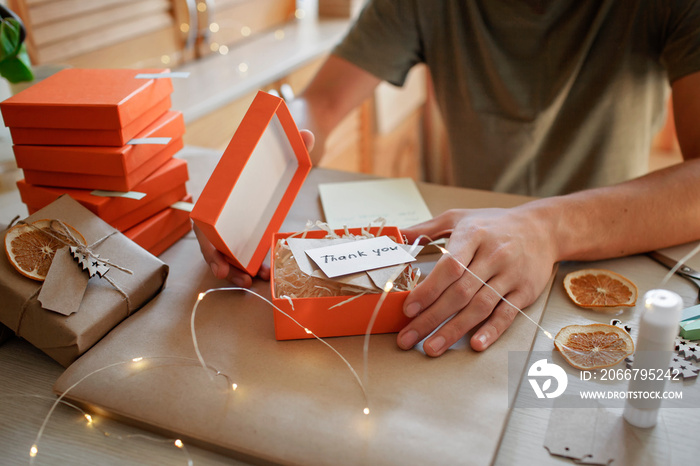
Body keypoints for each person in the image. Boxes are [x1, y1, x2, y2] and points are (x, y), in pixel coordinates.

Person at [197, 0, 700, 357]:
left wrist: (548, 226)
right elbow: (321, 104)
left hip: (617, 253)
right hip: (463, 260)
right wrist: (250, 174)